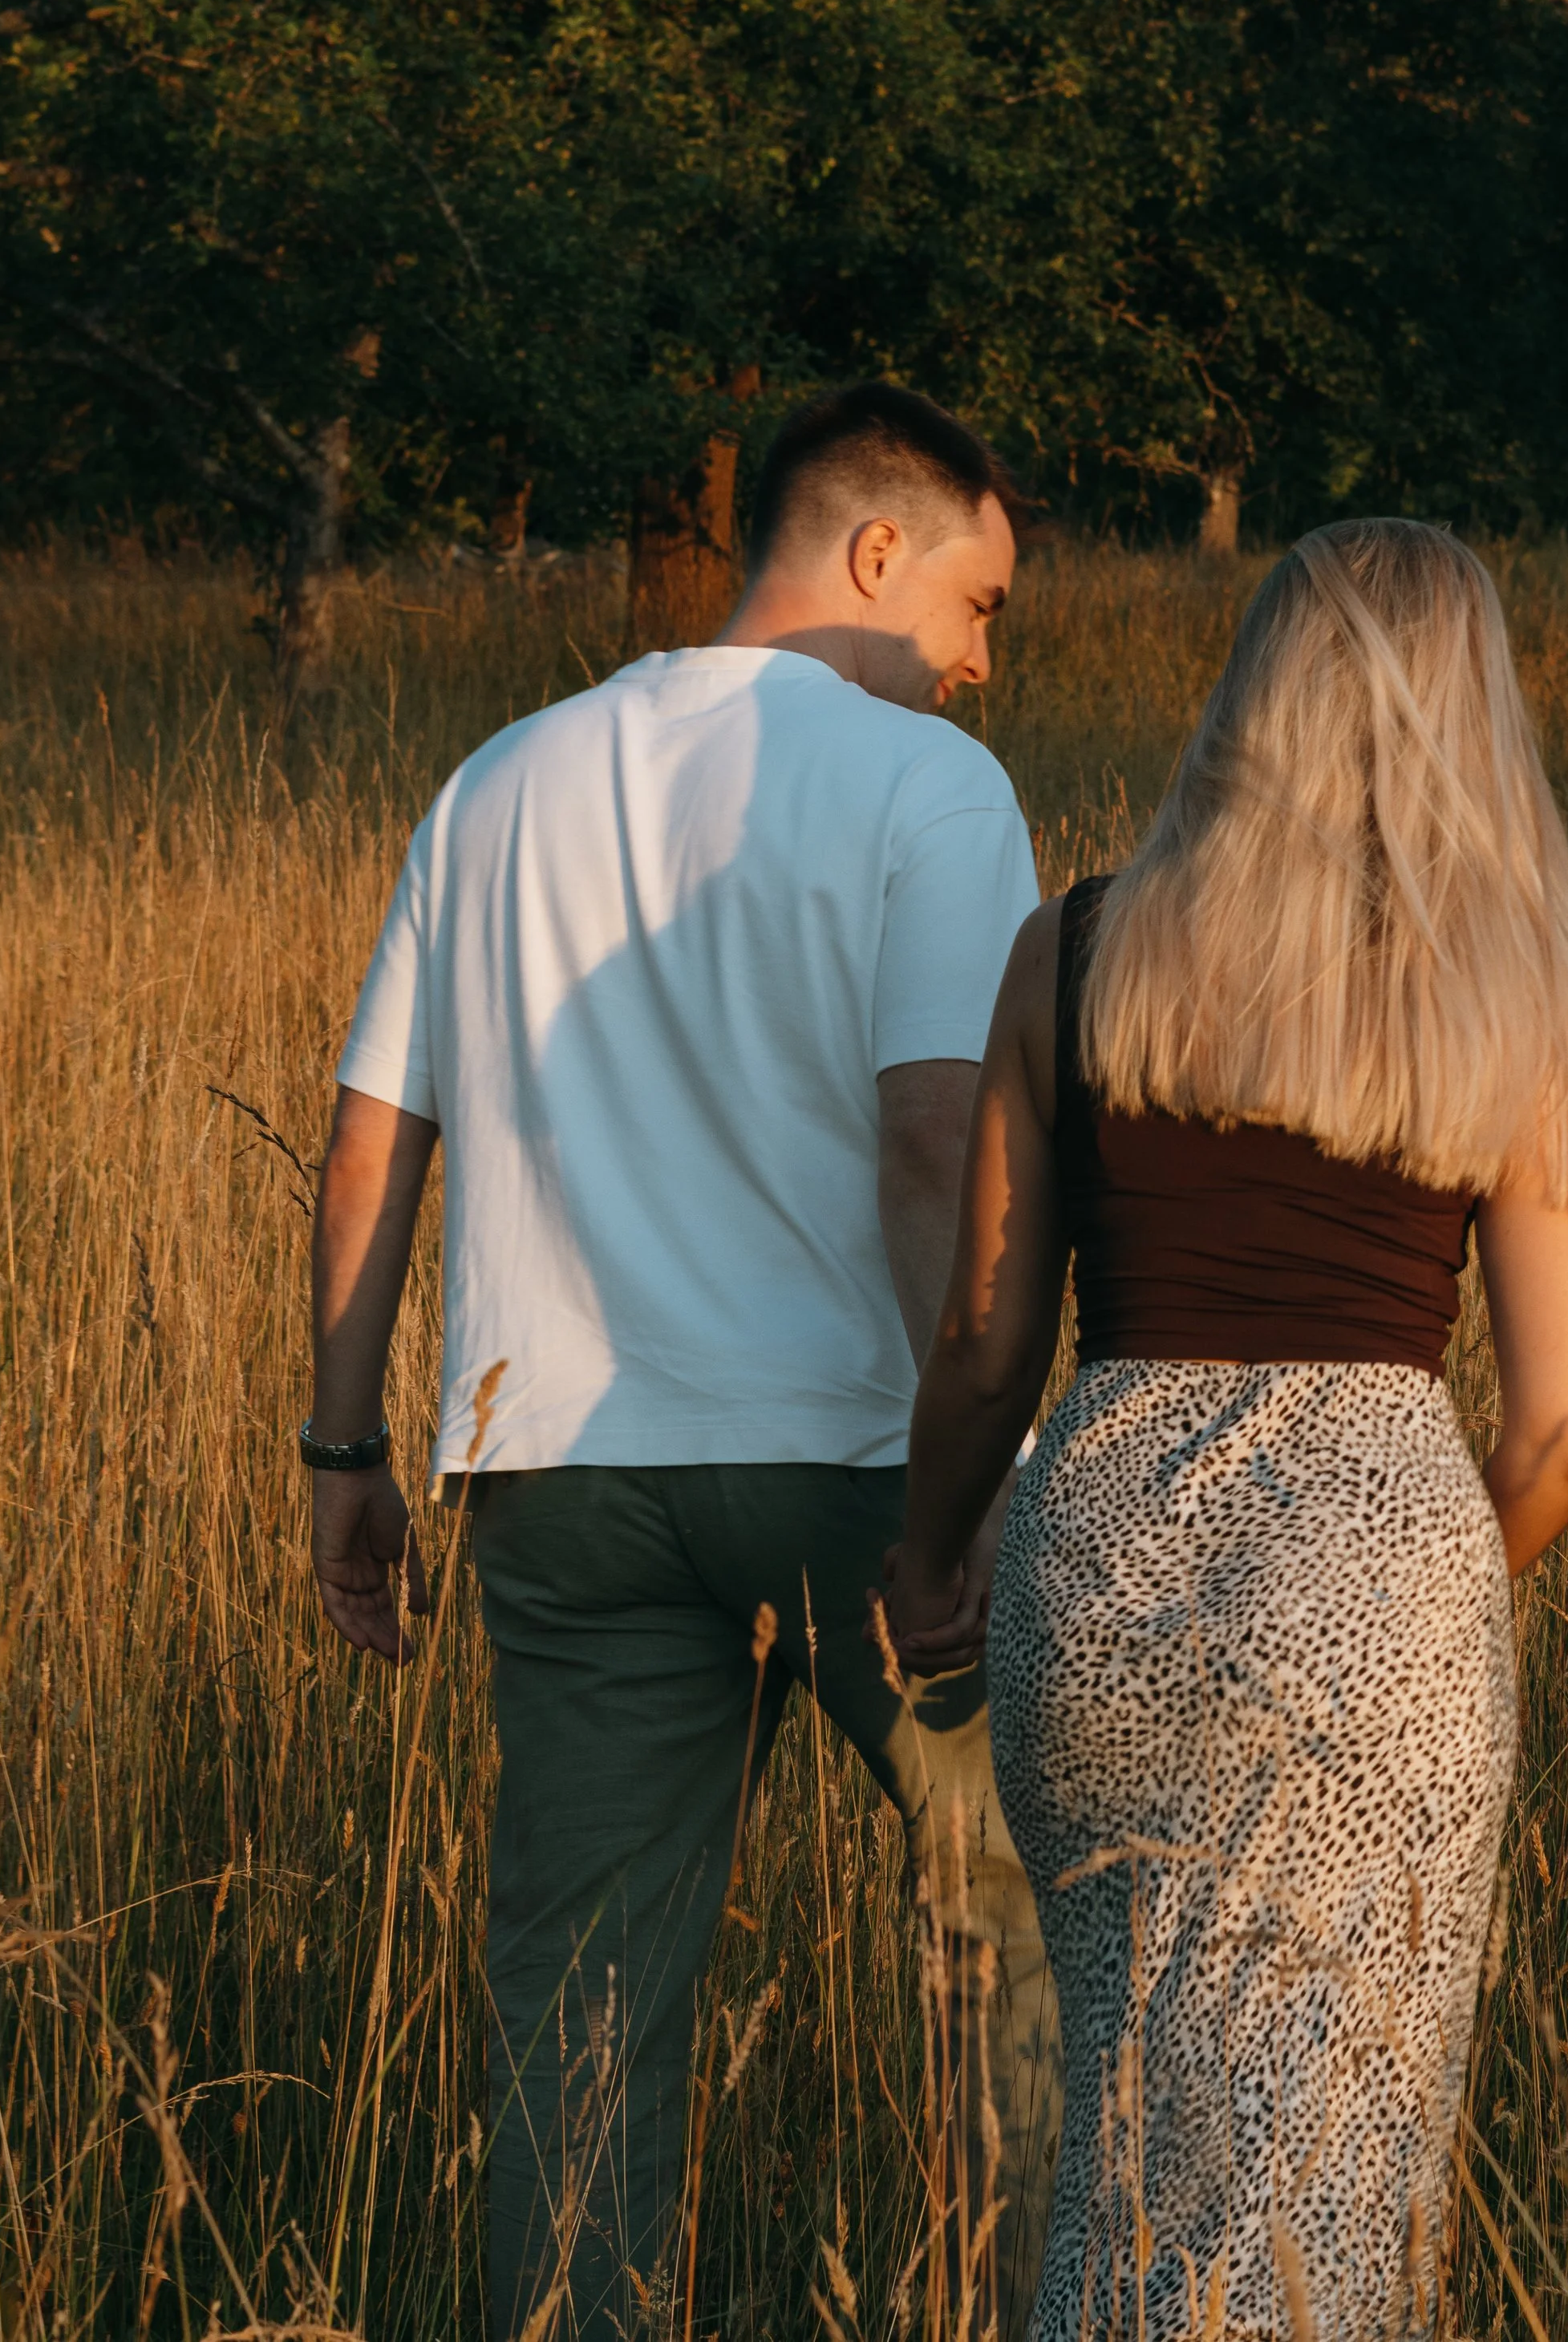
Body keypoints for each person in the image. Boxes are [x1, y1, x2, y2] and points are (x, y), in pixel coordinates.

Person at [305, 382, 1061, 2340]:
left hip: (555, 1468)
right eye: (976, 605)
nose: (979, 664)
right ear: (875, 552)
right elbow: (932, 1141)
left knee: (581, 2019)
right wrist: (979, 1474)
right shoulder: (927, 791)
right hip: (859, 1467)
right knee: (1014, 1938)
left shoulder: (497, 781)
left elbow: (375, 1138)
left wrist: (342, 1448)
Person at [885, 518, 1568, 2340]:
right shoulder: (1519, 985)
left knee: (1125, 2151)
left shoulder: (1075, 950)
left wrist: (930, 1553)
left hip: (1101, 1581)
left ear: (1250, 697)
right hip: (1380, 1586)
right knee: (1333, 2179)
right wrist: (1409, 1600)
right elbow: (1563, 1436)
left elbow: (984, 1345)